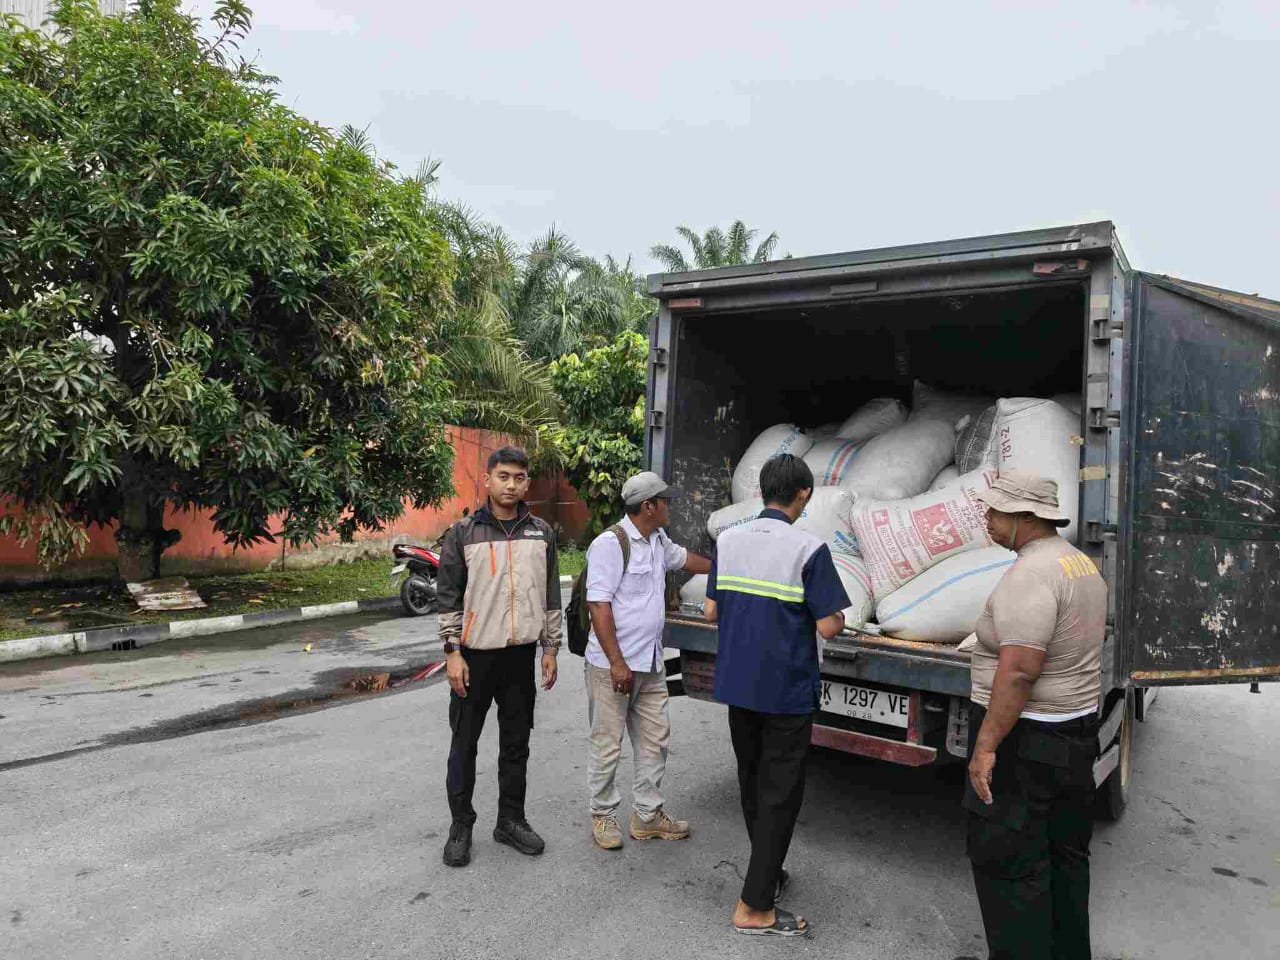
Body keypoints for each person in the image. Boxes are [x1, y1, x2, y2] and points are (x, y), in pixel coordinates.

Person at [704, 454, 850, 938]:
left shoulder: (728, 540)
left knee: (752, 785)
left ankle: (766, 876)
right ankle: (754, 907)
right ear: (803, 494)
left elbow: (710, 612)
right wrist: (831, 613)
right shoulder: (808, 548)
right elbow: (829, 625)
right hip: (786, 691)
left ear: (763, 491)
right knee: (780, 795)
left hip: (738, 685)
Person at [965, 471, 1108, 960]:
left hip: (1027, 740)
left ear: (1025, 517)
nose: (987, 519)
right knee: (1065, 857)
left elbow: (1021, 671)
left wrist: (986, 746)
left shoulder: (1031, 575)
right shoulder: (1079, 563)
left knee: (1009, 862)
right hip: (1073, 733)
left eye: (994, 511)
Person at [437, 446, 562, 868]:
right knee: (464, 745)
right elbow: (448, 598)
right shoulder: (463, 533)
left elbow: (550, 595)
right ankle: (461, 826)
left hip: (519, 658)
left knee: (516, 744)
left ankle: (510, 820)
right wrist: (453, 652)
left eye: (519, 478)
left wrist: (550, 648)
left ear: (527, 483)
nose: (511, 485)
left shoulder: (540, 533)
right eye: (503, 476)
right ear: (487, 479)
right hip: (474, 658)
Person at [584, 471, 711, 850]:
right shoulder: (610, 544)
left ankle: (647, 815)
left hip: (651, 663)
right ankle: (602, 814)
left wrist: (726, 566)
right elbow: (598, 605)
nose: (670, 506)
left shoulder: (658, 540)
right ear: (648, 506)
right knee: (607, 744)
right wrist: (616, 662)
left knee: (656, 741)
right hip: (613, 666)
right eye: (664, 501)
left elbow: (686, 560)